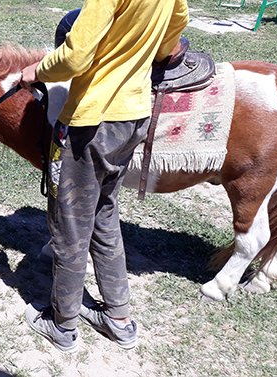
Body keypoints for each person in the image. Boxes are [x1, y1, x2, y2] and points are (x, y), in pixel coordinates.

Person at [19, 0, 189, 352]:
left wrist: (36, 70)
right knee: (104, 215)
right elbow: (174, 31)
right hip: (135, 115)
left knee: (70, 224)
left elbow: (76, 55)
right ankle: (118, 317)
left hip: (93, 120)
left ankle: (62, 324)